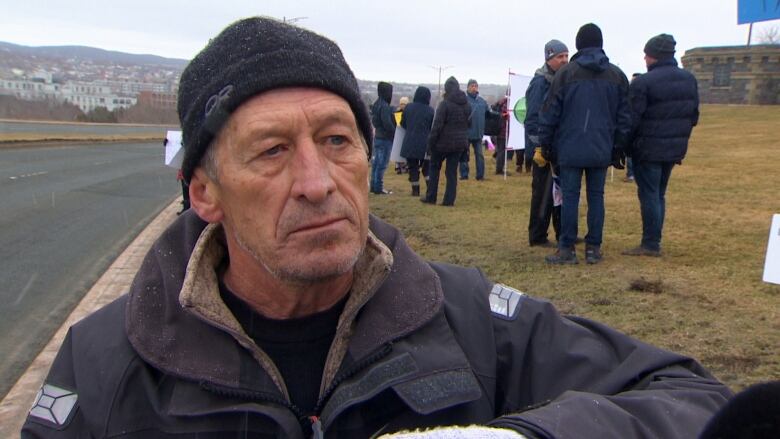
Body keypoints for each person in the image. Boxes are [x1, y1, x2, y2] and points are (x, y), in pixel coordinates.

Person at [22, 17, 731, 438]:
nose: (317, 181)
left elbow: (697, 400)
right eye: (272, 151)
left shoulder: (468, 323)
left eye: (337, 140)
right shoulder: (107, 363)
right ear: (203, 190)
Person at [538, 23, 632, 265]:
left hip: (569, 147)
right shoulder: (616, 75)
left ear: (578, 45)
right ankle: (593, 248)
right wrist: (618, 148)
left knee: (570, 197)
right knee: (596, 197)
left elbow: (549, 113)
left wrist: (545, 144)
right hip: (601, 147)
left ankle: (567, 248)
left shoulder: (565, 74)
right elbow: (625, 117)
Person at [622, 34, 699, 257]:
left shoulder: (644, 83)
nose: (644, 59)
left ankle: (650, 243)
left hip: (647, 148)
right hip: (673, 148)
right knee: (659, 194)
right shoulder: (689, 79)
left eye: (646, 55)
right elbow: (693, 115)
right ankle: (654, 239)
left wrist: (625, 146)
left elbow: (632, 119)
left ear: (652, 56)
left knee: (649, 194)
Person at [526, 39, 568, 247]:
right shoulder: (540, 83)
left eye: (567, 56)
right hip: (542, 147)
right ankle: (537, 235)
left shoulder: (562, 80)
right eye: (560, 57)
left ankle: (563, 232)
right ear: (549, 59)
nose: (564, 60)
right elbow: (533, 117)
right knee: (543, 192)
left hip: (559, 145)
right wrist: (538, 147)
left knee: (559, 192)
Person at [423, 76, 470, 206]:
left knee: (434, 168)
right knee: (451, 172)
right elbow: (468, 124)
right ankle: (449, 200)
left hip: (442, 144)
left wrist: (430, 143)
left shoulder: (445, 104)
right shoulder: (466, 104)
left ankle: (431, 196)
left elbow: (437, 126)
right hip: (459, 143)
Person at [400, 87, 434, 197]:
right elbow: (432, 127)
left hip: (409, 142)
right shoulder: (430, 110)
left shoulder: (408, 108)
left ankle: (415, 190)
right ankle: (430, 188)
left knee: (413, 167)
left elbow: (402, 124)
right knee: (427, 168)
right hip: (425, 144)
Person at [459, 79, 492, 181]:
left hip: (478, 133)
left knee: (480, 155)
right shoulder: (463, 100)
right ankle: (464, 175)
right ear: (468, 87)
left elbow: (489, 113)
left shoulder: (482, 101)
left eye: (475, 86)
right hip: (466, 133)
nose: (474, 88)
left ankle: (480, 175)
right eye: (472, 86)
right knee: (464, 155)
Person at [371, 81, 395, 194]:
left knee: (376, 163)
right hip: (385, 138)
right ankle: (378, 188)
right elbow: (387, 123)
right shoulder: (385, 106)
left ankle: (373, 185)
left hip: (378, 137)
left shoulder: (376, 105)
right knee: (382, 164)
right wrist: (394, 133)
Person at [623, 73, 643, 183]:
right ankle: (631, 174)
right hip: (631, 128)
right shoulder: (628, 95)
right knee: (630, 154)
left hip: (639, 130)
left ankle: (634, 173)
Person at [394, 96, 410, 175]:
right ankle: (403, 167)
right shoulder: (404, 113)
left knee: (399, 151)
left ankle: (399, 167)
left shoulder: (397, 112)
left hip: (398, 134)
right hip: (403, 133)